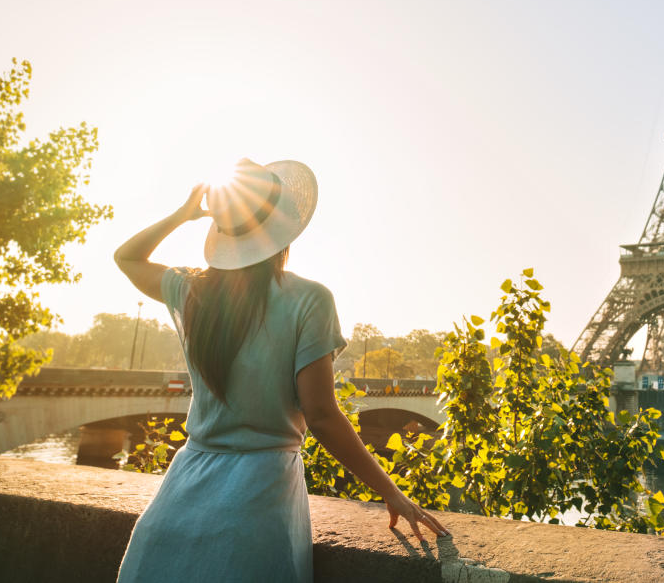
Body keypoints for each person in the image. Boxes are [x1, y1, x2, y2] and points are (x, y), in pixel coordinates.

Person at [112, 158, 448, 582]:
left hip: (180, 495)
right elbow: (322, 417)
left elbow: (126, 257)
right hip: (259, 500)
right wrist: (392, 491)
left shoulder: (192, 290)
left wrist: (184, 213)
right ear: (282, 231)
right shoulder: (309, 300)